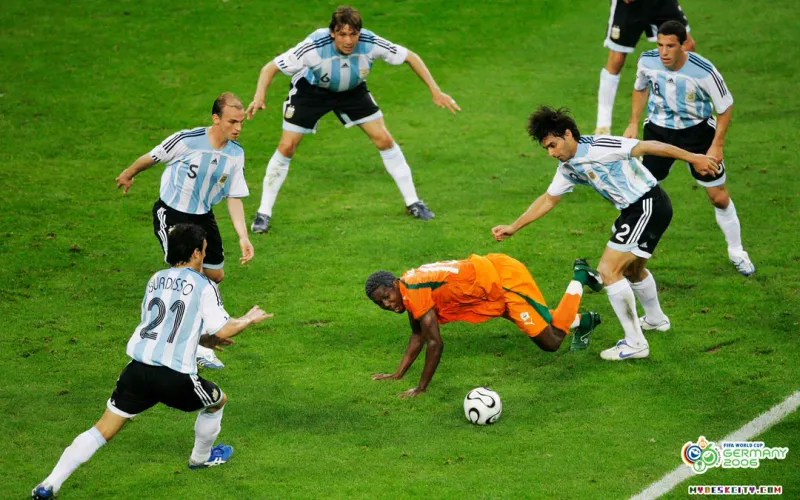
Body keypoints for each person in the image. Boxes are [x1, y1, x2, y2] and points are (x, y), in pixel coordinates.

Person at [31, 224, 272, 500]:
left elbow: (166, 326)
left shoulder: (155, 279)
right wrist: (248, 319)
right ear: (195, 253)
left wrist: (204, 341)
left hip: (137, 371)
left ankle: (48, 484)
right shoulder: (204, 285)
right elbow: (225, 328)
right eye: (204, 250)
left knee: (102, 429)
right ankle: (200, 457)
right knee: (217, 400)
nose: (206, 255)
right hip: (174, 376)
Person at [492, 106, 720, 360]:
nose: (551, 153)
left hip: (647, 205)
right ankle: (656, 319)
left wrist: (694, 158)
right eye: (547, 148)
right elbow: (548, 199)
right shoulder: (567, 166)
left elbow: (650, 146)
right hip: (633, 210)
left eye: (553, 145)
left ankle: (635, 343)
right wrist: (514, 226)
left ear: (568, 134)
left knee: (608, 271)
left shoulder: (601, 146)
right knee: (632, 269)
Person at [245, 5, 460, 234]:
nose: (348, 40)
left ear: (360, 32)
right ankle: (263, 213)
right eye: (342, 34)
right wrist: (259, 96)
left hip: (352, 91)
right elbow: (270, 68)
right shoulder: (314, 47)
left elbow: (410, 56)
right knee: (287, 146)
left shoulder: (370, 42)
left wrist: (436, 91)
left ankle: (413, 202)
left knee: (384, 140)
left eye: (353, 34)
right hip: (311, 92)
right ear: (332, 33)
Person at [116, 92, 254, 369]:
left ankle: (201, 335)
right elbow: (152, 157)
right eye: (232, 121)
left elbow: (234, 196)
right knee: (190, 275)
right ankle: (196, 343)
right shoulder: (186, 140)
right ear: (216, 118)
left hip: (203, 216)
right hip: (172, 215)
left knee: (215, 275)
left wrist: (243, 236)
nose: (238, 127)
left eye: (240, 122)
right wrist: (128, 173)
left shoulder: (235, 154)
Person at [365, 254, 604, 397]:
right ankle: (585, 321)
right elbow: (417, 334)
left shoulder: (413, 289)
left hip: (504, 281)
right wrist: (397, 375)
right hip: (489, 291)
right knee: (545, 322)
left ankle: (580, 276)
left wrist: (421, 388)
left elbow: (435, 343)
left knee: (551, 340)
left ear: (394, 283)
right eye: (380, 303)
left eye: (386, 296)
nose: (387, 304)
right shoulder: (408, 288)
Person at [623, 20, 754, 276]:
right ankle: (626, 253)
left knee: (718, 197)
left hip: (697, 133)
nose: (664, 52)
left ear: (684, 45)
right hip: (658, 132)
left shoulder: (704, 71)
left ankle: (737, 252)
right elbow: (640, 88)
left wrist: (717, 145)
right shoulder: (647, 61)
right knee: (640, 193)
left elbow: (725, 107)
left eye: (670, 46)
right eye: (660, 45)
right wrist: (633, 123)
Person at [596, 0, 696, 134]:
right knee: (617, 59)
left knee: (687, 45)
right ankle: (603, 126)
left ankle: (691, 110)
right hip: (630, 6)